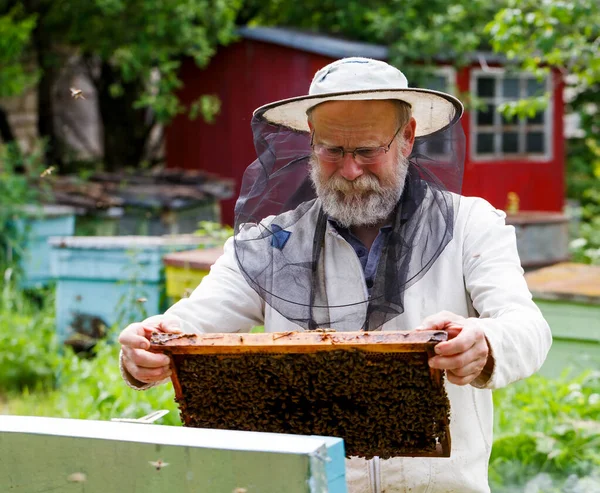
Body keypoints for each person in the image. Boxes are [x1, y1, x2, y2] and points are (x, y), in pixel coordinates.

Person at [118, 57, 552, 492]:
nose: (349, 170)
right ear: (311, 142)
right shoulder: (273, 242)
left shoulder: (470, 224)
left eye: (367, 150)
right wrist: (146, 347)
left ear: (407, 138)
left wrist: (485, 344)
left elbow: (528, 327)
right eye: (332, 150)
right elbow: (190, 322)